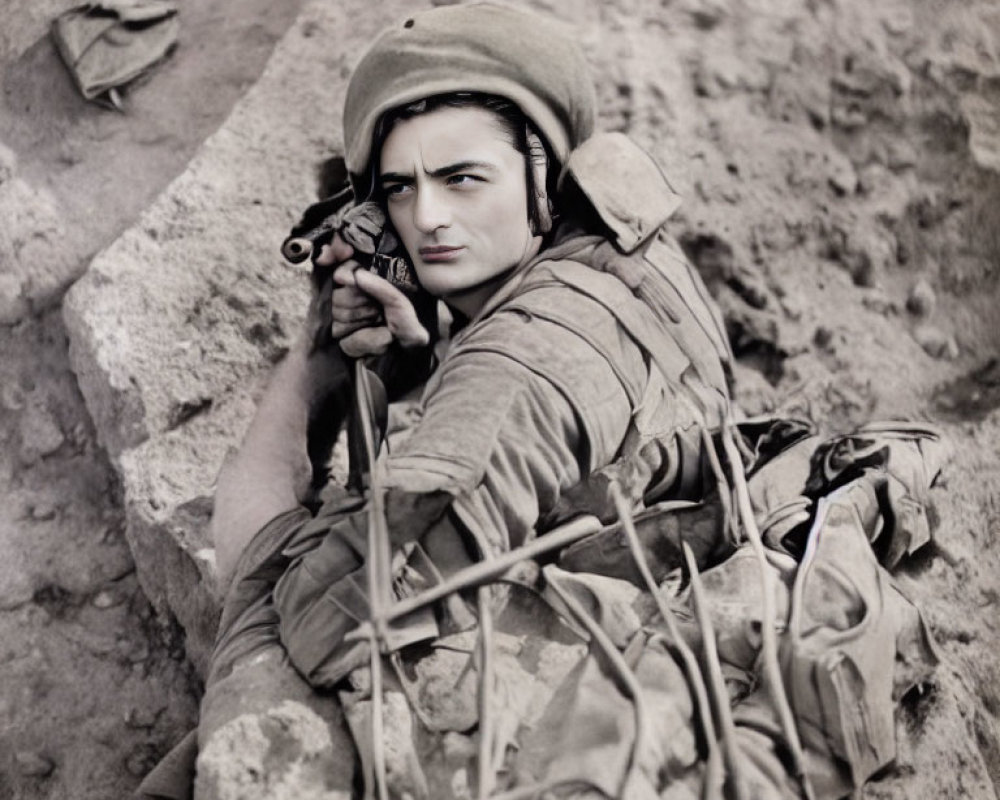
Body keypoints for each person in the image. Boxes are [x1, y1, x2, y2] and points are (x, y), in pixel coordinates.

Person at [139, 5, 944, 800]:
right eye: (399, 188)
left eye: (462, 178)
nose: (427, 218)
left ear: (539, 175)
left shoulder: (517, 366)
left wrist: (314, 360)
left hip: (569, 690)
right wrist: (422, 350)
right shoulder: (627, 250)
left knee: (269, 604)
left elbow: (326, 617)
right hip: (652, 555)